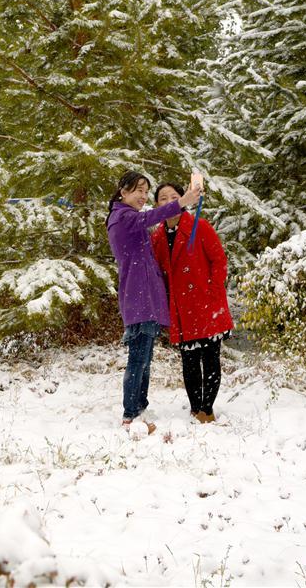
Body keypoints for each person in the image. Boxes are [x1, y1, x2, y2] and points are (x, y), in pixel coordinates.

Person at [106, 171, 202, 432]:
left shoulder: (125, 218)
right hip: (138, 298)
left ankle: (140, 407)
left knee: (144, 358)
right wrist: (183, 201)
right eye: (138, 190)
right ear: (123, 192)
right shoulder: (124, 217)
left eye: (145, 191)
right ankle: (130, 414)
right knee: (138, 359)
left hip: (143, 297)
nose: (143, 196)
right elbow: (151, 216)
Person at [150, 181, 234, 423]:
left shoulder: (200, 226)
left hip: (206, 303)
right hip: (180, 307)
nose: (168, 201)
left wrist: (213, 290)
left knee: (210, 357)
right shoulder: (157, 236)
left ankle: (206, 410)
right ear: (157, 205)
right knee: (189, 360)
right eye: (162, 198)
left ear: (184, 198)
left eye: (173, 196)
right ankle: (195, 406)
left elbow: (219, 261)